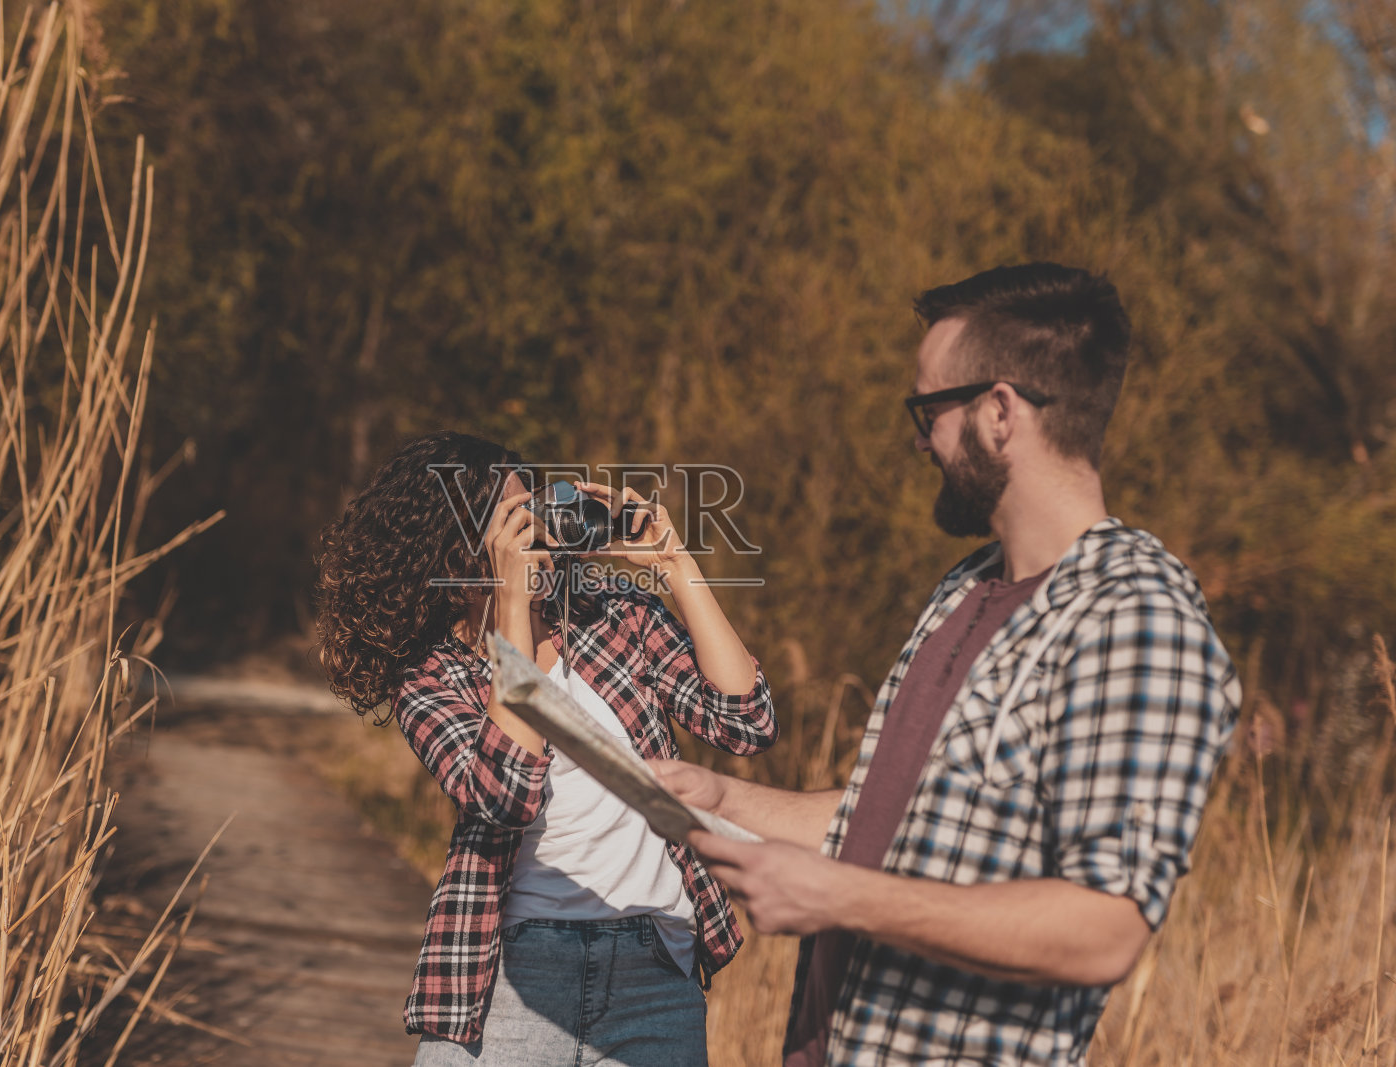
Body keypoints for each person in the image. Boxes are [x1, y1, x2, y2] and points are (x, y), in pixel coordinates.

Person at [654, 263, 1241, 1065]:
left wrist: (840, 897)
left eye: (928, 409)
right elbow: (897, 825)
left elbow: (1105, 926)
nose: (917, 438)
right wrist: (723, 796)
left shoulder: (1137, 616)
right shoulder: (965, 589)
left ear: (1000, 413)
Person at [313, 431, 778, 1066]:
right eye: (513, 520)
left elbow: (745, 721)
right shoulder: (433, 677)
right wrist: (510, 604)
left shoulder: (612, 614)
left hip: (654, 970)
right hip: (512, 979)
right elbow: (507, 793)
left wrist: (676, 565)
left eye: (536, 507)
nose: (537, 528)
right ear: (457, 548)